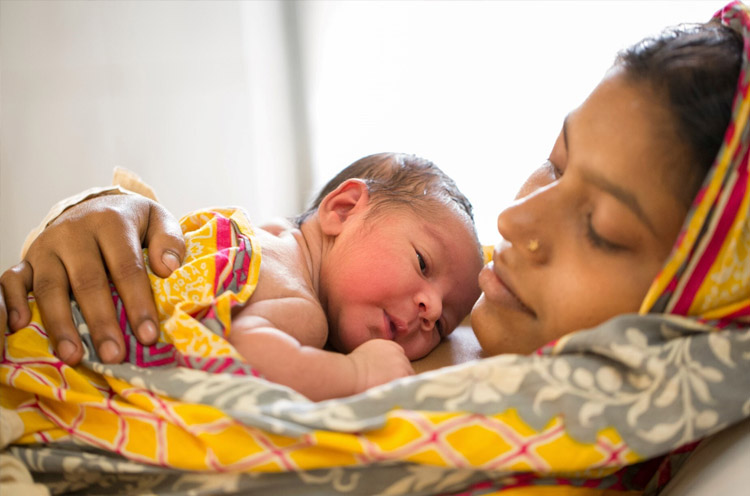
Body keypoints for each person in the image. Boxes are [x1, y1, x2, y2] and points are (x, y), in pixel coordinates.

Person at [2, 2, 750, 493]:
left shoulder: (547, 433)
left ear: (696, 298)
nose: (517, 222)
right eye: (553, 162)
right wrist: (101, 214)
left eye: (602, 230)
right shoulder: (482, 295)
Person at [0, 152, 484, 401]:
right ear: (343, 208)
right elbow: (252, 351)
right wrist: (355, 373)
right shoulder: (302, 310)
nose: (433, 310)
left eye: (443, 326)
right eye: (422, 262)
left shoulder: (261, 233)